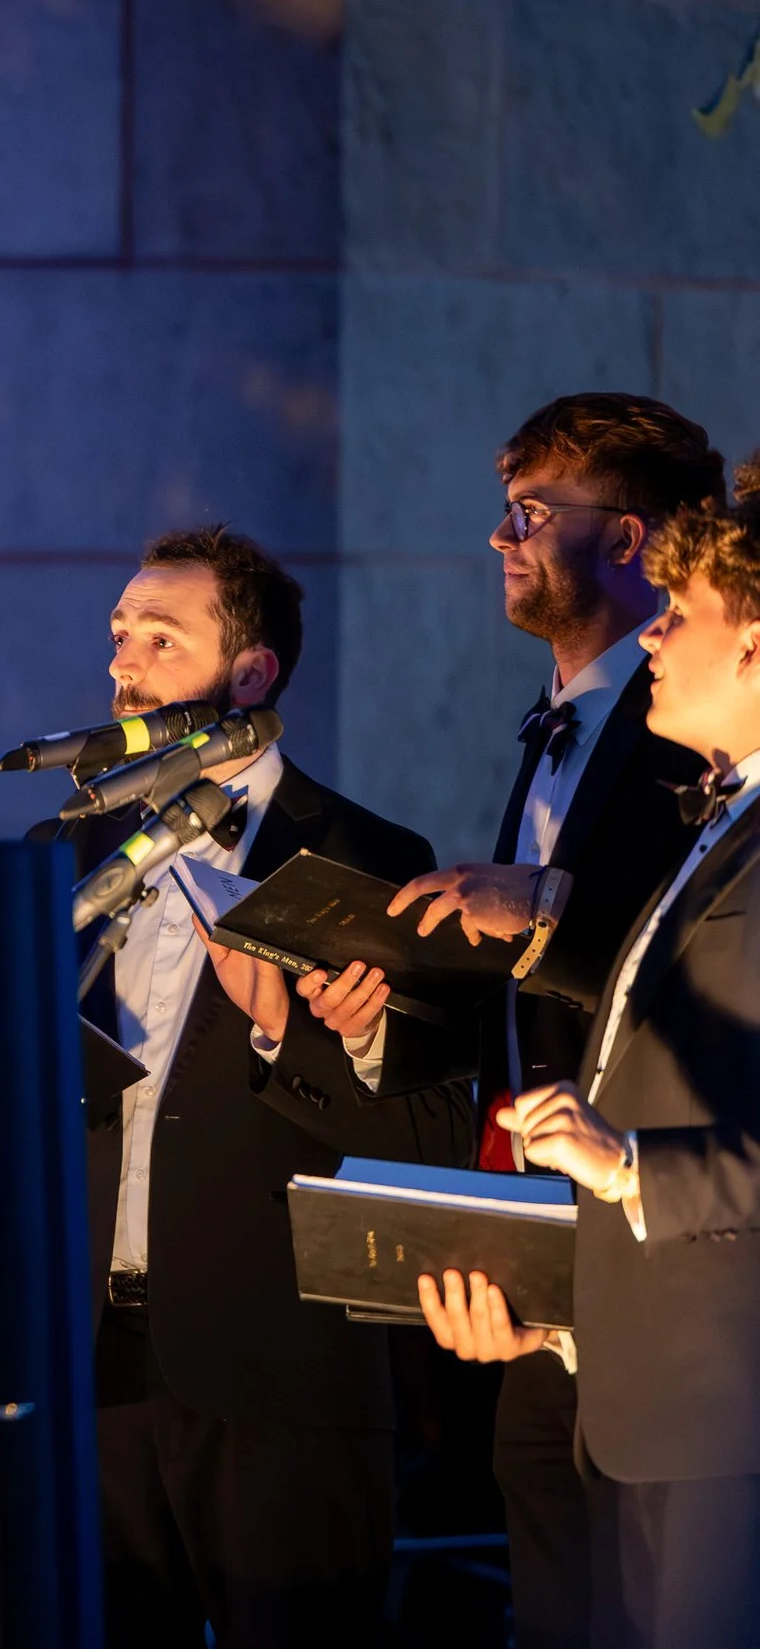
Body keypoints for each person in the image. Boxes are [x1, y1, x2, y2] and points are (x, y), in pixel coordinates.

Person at [0, 527, 475, 1647]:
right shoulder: (67, 846)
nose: (123, 660)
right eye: (119, 633)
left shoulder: (367, 849)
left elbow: (432, 1132)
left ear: (251, 671)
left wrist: (288, 1038)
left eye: (160, 637)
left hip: (280, 1362)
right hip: (87, 1356)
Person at [385, 394, 718, 1649]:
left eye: (531, 513)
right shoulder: (558, 718)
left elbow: (677, 958)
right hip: (542, 1235)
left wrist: (537, 917)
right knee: (554, 1576)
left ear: (626, 539)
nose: (499, 538)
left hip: (662, 1231)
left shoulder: (695, 728)